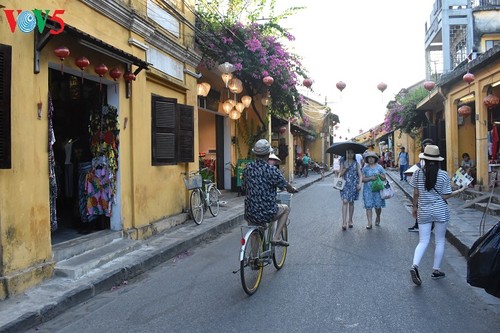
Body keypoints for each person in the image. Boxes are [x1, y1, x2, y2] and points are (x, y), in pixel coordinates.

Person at [409, 145, 466, 286]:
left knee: (423, 241)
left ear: (425, 159)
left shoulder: (417, 173)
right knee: (440, 240)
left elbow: (416, 193)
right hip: (440, 209)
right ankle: (436, 270)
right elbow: (445, 195)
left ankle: (415, 266)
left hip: (424, 209)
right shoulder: (443, 175)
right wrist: (459, 191)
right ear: (438, 160)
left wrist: (414, 207)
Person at [243, 139, 298, 247]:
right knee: (286, 209)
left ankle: (254, 259)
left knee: (255, 231)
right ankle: (276, 237)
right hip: (267, 212)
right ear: (269, 154)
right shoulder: (271, 170)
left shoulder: (247, 168)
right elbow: (285, 185)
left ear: (255, 154)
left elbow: (243, 187)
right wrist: (291, 189)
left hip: (250, 212)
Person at [408, 138, 434, 232]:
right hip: (421, 182)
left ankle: (429, 226)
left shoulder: (435, 156)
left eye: (428, 145)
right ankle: (417, 224)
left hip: (431, 183)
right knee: (420, 205)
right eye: (424, 145)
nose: (426, 147)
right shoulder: (421, 156)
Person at [338, 149, 363, 230]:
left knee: (351, 203)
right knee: (345, 201)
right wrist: (345, 169)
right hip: (344, 185)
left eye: (352, 152)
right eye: (348, 152)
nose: (350, 154)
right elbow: (340, 174)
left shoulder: (356, 163)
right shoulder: (343, 162)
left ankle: (350, 220)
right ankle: (344, 222)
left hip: (353, 185)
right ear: (346, 153)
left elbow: (360, 175)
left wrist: (359, 184)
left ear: (354, 154)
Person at [362, 151, 387, 229]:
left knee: (378, 206)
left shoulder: (379, 167)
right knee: (368, 206)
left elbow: (384, 178)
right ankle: (369, 223)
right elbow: (362, 179)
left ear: (375, 159)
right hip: (367, 190)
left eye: (372, 157)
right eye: (369, 158)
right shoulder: (365, 168)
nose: (371, 159)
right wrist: (370, 178)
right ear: (367, 159)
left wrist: (379, 175)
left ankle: (378, 216)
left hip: (378, 190)